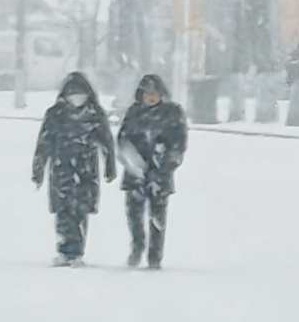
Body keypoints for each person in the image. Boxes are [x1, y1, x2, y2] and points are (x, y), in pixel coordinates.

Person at [32, 71, 115, 265]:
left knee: (81, 211)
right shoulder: (55, 114)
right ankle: (64, 249)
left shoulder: (95, 114)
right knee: (63, 210)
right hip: (62, 169)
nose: (76, 98)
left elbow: (107, 142)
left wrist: (110, 167)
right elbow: (43, 144)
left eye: (80, 93)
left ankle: (77, 251)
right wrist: (38, 170)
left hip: (86, 169)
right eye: (72, 93)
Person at [117, 73, 188, 268]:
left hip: (161, 175)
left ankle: (155, 256)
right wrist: (133, 162)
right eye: (147, 93)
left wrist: (165, 165)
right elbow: (123, 140)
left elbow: (179, 143)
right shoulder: (134, 113)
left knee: (157, 217)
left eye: (155, 93)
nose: (151, 97)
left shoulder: (172, 113)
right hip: (135, 174)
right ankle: (137, 247)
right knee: (134, 215)